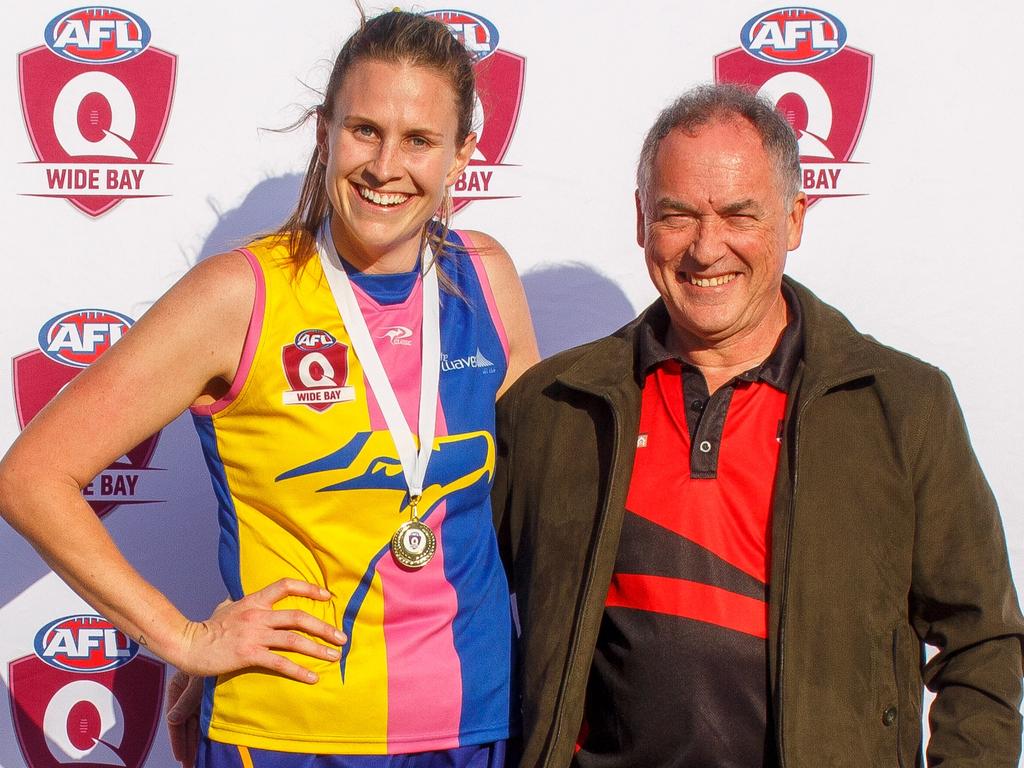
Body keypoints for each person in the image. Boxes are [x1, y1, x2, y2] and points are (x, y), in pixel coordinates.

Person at [0, 9, 537, 768]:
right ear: (324, 133)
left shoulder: (486, 275)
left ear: (461, 157)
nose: (387, 165)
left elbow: (530, 506)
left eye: (420, 140)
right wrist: (184, 639)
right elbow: (31, 477)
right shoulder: (242, 294)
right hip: (290, 735)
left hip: (474, 722)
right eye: (364, 130)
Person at [492, 84, 1024, 767]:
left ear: (795, 218)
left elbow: (980, 641)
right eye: (677, 215)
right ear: (640, 220)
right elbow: (446, 588)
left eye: (739, 214)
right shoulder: (556, 408)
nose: (706, 248)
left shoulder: (902, 407)